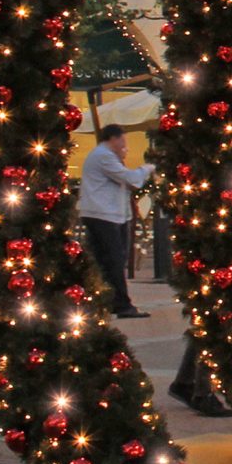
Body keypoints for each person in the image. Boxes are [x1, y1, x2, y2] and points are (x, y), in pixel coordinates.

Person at [79, 124, 153, 319]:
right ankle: (120, 303)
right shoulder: (103, 156)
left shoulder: (107, 157)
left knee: (109, 258)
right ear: (113, 138)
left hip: (109, 214)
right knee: (113, 259)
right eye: (123, 140)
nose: (125, 145)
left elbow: (125, 182)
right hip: (103, 214)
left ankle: (109, 300)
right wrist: (146, 169)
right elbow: (129, 178)